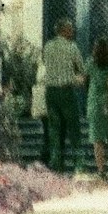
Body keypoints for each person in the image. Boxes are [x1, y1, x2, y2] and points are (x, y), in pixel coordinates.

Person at [39, 17, 86, 173]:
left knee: (54, 128)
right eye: (70, 29)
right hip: (66, 91)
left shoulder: (48, 47)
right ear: (64, 30)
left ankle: (56, 163)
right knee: (74, 128)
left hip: (51, 92)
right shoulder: (72, 47)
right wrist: (77, 79)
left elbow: (46, 64)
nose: (72, 31)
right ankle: (78, 164)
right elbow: (81, 69)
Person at [85, 34, 108, 177]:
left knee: (97, 139)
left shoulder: (90, 63)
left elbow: (84, 78)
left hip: (94, 103)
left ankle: (101, 170)